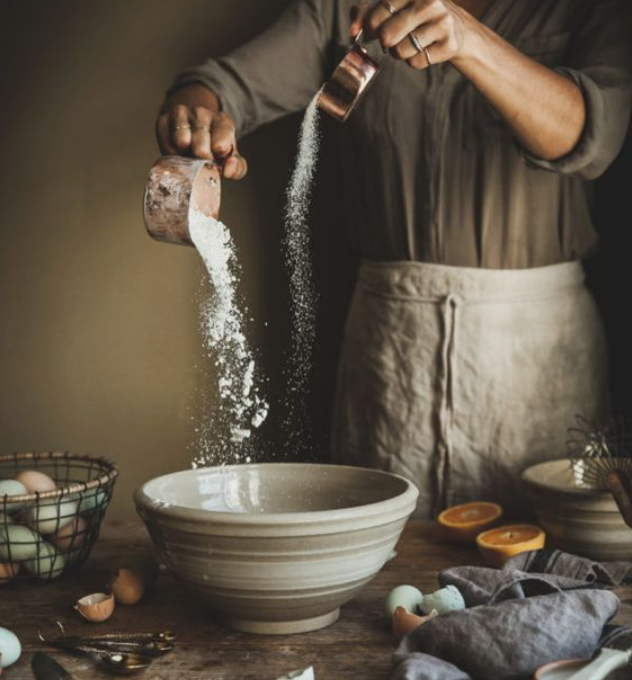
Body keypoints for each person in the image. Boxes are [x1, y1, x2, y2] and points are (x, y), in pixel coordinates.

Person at [156, 0, 632, 517]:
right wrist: (196, 116)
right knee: (389, 573)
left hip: (538, 350)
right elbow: (221, 86)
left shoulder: (592, 9)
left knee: (538, 566)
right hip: (391, 352)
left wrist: (468, 39)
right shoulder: (345, 11)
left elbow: (593, 136)